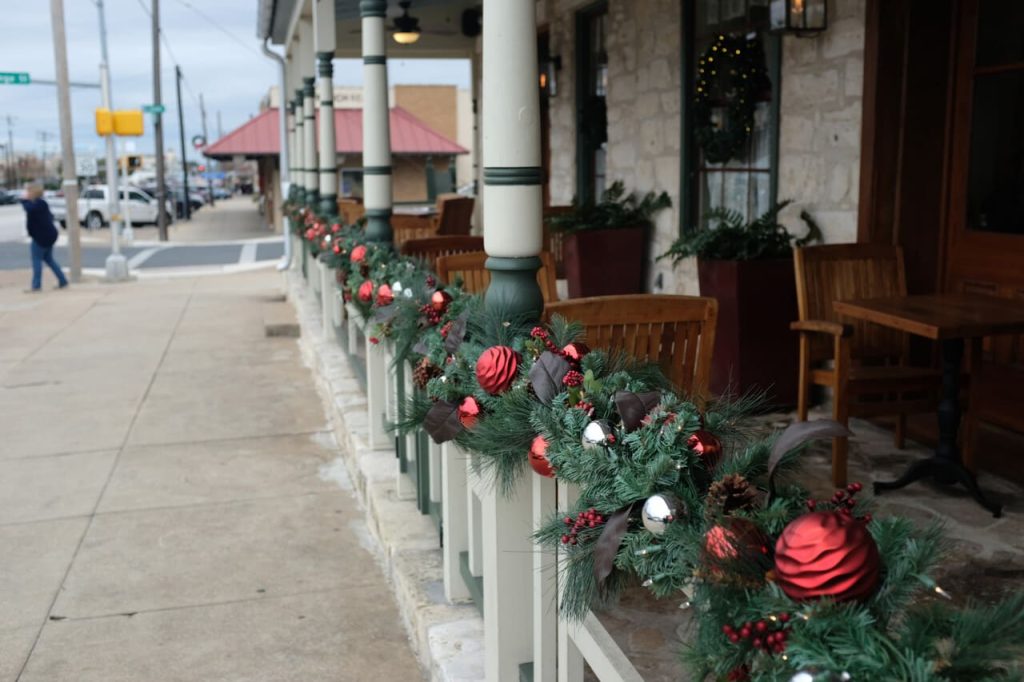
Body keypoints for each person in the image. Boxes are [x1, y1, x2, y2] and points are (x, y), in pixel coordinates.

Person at [19, 184, 68, 293]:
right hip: (48, 236)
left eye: (28, 191)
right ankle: (63, 280)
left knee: (37, 260)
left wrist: (23, 200)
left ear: (32, 193)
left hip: (41, 238)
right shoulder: (42, 204)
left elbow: (28, 209)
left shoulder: (37, 205)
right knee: (49, 260)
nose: (26, 193)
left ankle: (36, 286)